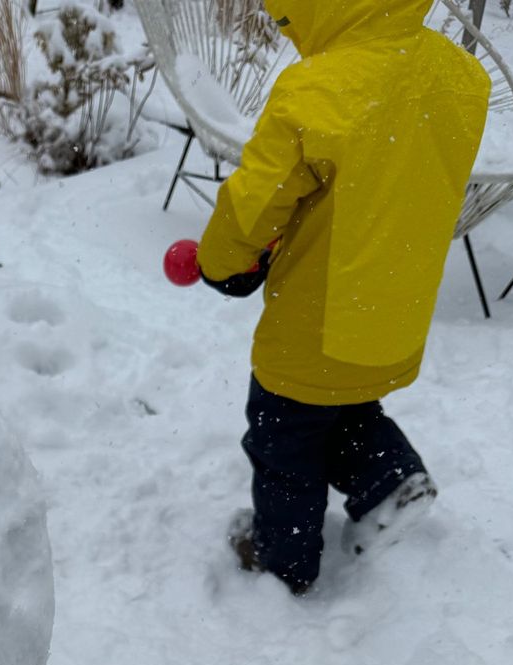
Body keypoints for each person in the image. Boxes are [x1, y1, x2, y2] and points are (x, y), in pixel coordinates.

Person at [197, 0, 490, 596]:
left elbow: (254, 204)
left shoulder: (317, 90)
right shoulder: (457, 75)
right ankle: (392, 481)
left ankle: (285, 561)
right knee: (346, 406)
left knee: (283, 438)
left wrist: (222, 264)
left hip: (317, 316)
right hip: (394, 308)